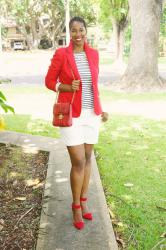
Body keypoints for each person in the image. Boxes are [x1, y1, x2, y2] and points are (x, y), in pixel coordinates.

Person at [45, 16, 108, 230]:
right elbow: (49, 81)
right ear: (69, 32)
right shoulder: (62, 54)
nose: (78, 34)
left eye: (81, 29)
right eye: (74, 30)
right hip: (72, 115)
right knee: (78, 161)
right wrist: (65, 87)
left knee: (89, 158)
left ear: (86, 31)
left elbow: (93, 85)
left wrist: (102, 108)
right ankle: (75, 207)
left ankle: (84, 200)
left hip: (92, 114)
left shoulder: (94, 54)